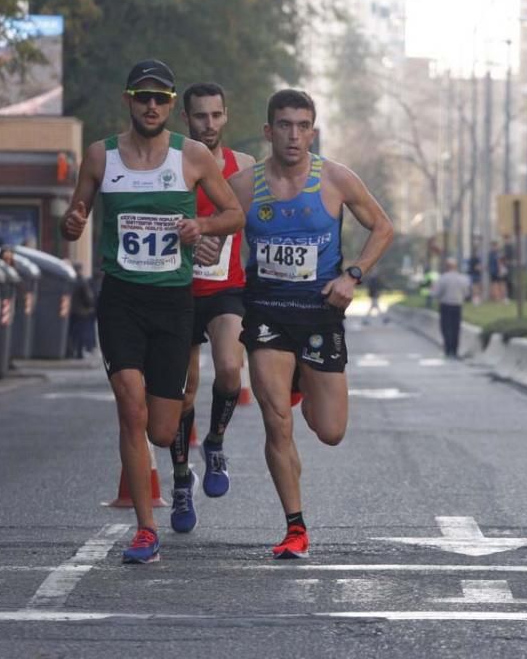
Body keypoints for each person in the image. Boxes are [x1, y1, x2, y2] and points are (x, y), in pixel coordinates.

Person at [60, 59, 244, 564]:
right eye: (143, 96)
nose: (151, 105)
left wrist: (201, 230)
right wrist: (72, 224)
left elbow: (234, 214)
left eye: (161, 98)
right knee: (130, 406)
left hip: (172, 300)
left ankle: (185, 458)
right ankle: (145, 530)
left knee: (162, 428)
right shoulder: (101, 156)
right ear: (129, 100)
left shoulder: (193, 157)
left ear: (170, 104)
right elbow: (73, 218)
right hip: (121, 296)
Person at [228, 89, 393, 559]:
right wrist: (202, 244)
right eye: (284, 125)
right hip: (267, 313)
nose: (294, 135)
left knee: (330, 430)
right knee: (276, 421)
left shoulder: (336, 179)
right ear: (268, 131)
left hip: (320, 313)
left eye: (303, 126)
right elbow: (210, 222)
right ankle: (295, 527)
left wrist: (354, 274)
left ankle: (302, 381)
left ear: (313, 131)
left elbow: (383, 227)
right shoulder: (244, 185)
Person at [165, 82, 255, 534]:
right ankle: (182, 481)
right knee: (182, 391)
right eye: (200, 116)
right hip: (177, 288)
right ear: (186, 118)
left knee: (230, 370)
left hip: (225, 290)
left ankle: (214, 443)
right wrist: (192, 237)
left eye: (216, 115)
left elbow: (249, 221)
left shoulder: (244, 167)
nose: (210, 124)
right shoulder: (170, 164)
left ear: (226, 116)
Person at [432, 257, 472, 358]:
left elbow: (436, 293)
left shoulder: (443, 278)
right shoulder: (463, 279)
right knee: (455, 328)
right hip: (457, 305)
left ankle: (448, 349)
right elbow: (467, 293)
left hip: (445, 305)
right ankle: (454, 350)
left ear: (447, 267)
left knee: (446, 328)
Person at [68, 262, 96, 359]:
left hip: (71, 311)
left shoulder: (70, 280)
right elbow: (88, 297)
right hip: (82, 312)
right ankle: (79, 353)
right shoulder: (83, 282)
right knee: (81, 333)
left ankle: (70, 352)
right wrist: (91, 305)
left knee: (72, 332)